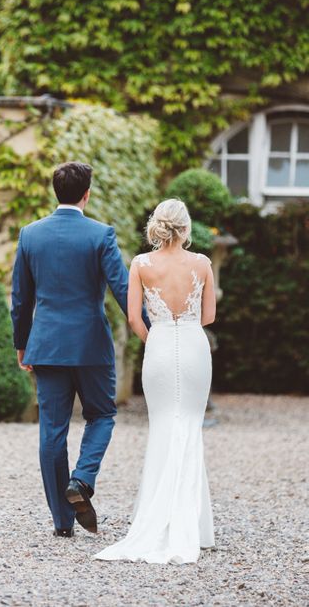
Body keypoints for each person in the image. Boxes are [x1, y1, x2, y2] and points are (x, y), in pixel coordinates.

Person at [11, 161, 150, 537]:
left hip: (47, 347)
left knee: (51, 431)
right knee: (101, 415)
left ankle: (61, 521)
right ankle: (82, 481)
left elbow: (20, 300)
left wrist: (22, 345)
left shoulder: (30, 235)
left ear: (56, 193)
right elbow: (123, 290)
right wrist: (152, 332)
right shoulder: (100, 235)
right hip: (90, 346)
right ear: (87, 194)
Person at [94, 198, 216, 564]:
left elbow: (134, 319)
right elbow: (208, 315)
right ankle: (194, 526)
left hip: (160, 347)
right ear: (186, 226)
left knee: (164, 426)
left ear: (157, 225)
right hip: (195, 347)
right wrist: (183, 328)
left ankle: (160, 519)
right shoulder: (203, 264)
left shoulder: (141, 264)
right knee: (190, 426)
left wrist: (159, 339)